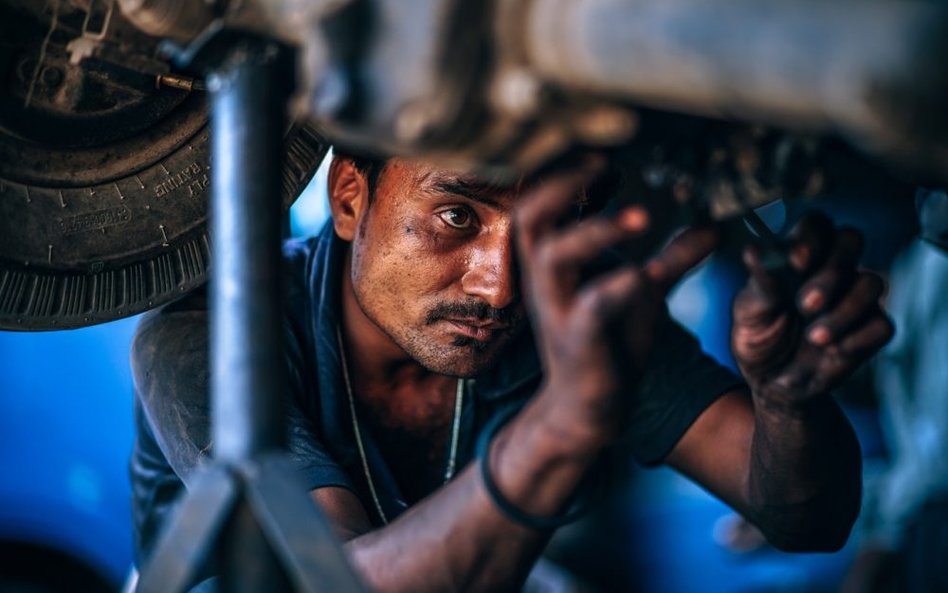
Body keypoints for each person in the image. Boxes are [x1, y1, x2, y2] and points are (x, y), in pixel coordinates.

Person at [130, 152, 893, 592]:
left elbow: (809, 518)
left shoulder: (572, 306)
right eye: (457, 215)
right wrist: (561, 421)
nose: (499, 287)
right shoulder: (206, 337)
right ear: (350, 198)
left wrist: (789, 401)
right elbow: (338, 581)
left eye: (544, 229)